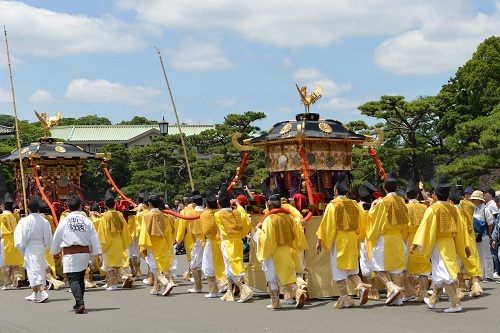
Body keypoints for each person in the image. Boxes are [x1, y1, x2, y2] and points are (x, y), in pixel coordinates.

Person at [411, 176, 468, 313]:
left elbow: (424, 227)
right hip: (450, 243)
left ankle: (456, 303)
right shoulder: (454, 209)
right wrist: (465, 246)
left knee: (444, 273)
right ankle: (433, 300)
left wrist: (416, 243)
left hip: (438, 244)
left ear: (435, 195)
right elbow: (461, 230)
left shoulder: (433, 209)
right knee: (439, 271)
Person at [316, 172, 369, 309]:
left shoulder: (333, 205)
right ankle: (361, 286)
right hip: (352, 239)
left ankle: (344, 298)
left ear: (335, 190)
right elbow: (362, 221)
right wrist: (359, 235)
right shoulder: (355, 204)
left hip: (339, 240)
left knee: (339, 270)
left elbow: (327, 225)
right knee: (352, 269)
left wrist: (320, 240)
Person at [50, 194, 102, 314]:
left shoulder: (64, 221)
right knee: (80, 277)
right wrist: (98, 254)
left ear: (67, 206)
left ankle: (80, 302)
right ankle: (79, 301)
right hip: (84, 253)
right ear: (80, 206)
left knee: (73, 279)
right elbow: (94, 238)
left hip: (70, 254)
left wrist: (55, 251)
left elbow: (57, 237)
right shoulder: (87, 220)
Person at [366, 170, 409, 306]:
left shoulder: (383, 202)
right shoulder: (401, 201)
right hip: (398, 237)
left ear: (384, 188)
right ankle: (398, 297)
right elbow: (405, 221)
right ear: (397, 187)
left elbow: (377, 220)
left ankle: (391, 287)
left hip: (385, 238)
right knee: (398, 268)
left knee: (376, 265)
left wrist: (372, 235)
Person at [255, 194, 306, 309]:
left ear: (270, 205)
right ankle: (297, 291)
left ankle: (275, 302)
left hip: (273, 252)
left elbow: (267, 239)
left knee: (272, 279)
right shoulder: (289, 217)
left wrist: (258, 231)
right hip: (286, 250)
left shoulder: (269, 219)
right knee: (287, 276)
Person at [215, 185, 253, 303]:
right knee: (233, 265)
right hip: (238, 241)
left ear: (219, 204)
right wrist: (238, 205)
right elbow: (246, 222)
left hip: (227, 242)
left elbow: (219, 228)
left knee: (232, 267)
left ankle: (244, 289)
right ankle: (229, 292)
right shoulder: (237, 213)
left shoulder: (218, 215)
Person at [14, 196, 53, 302]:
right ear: (39, 209)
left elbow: (21, 236)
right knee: (38, 269)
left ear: (29, 209)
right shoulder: (44, 221)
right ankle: (34, 293)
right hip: (40, 246)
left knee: (33, 270)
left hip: (30, 247)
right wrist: (45, 245)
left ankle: (43, 292)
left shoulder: (25, 221)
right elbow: (48, 237)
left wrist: (22, 246)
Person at [138, 192, 176, 296]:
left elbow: (145, 232)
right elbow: (168, 231)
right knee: (161, 265)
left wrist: (144, 246)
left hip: (152, 244)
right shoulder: (165, 216)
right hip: (163, 243)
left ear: (149, 204)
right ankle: (156, 288)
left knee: (153, 267)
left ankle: (165, 283)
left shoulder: (147, 216)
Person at [97, 190, 132, 291]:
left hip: (110, 242)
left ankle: (113, 284)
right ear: (115, 204)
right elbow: (125, 230)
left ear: (105, 205)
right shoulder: (120, 215)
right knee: (118, 263)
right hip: (119, 241)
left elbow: (103, 233)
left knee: (110, 265)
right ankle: (125, 277)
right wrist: (124, 242)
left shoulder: (105, 217)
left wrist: (102, 245)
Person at [405, 180, 430, 302]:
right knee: (423, 270)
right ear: (416, 196)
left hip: (409, 239)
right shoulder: (424, 207)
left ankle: (411, 291)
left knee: (407, 269)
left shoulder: (405, 208)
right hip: (423, 240)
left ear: (406, 196)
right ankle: (424, 293)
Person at [201, 190, 226, 298]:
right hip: (223, 240)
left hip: (211, 242)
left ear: (206, 205)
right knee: (224, 264)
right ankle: (225, 285)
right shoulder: (221, 213)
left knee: (208, 266)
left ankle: (213, 290)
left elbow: (205, 231)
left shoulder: (205, 215)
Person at [1, 193, 24, 290]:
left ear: (4, 206)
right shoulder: (14, 216)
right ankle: (17, 276)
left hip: (5, 240)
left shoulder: (1, 217)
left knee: (5, 262)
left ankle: (7, 283)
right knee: (14, 261)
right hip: (15, 238)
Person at [470, 190, 494, 282]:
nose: (473, 200)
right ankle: (481, 274)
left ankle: (488, 275)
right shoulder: (475, 208)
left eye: (475, 199)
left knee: (486, 255)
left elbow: (490, 223)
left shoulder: (485, 209)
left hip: (484, 234)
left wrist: (489, 233)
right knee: (479, 255)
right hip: (476, 234)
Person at [484, 188, 499, 278]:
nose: (484, 195)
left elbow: (496, 219)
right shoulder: (489, 204)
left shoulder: (493, 204)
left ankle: (496, 270)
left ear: (490, 194)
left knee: (494, 252)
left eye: (486, 193)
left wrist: (493, 232)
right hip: (492, 230)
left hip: (493, 230)